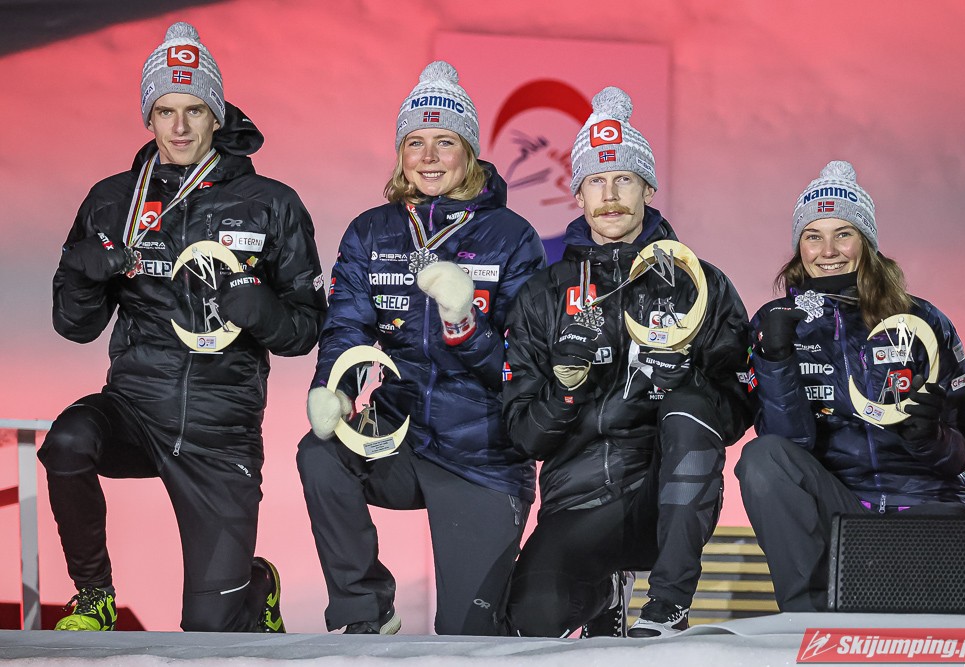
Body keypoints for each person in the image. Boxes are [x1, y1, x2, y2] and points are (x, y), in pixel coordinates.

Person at [39, 22, 327, 632]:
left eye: (194, 109)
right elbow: (75, 327)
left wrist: (262, 309)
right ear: (148, 116)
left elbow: (304, 331)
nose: (179, 127)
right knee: (66, 442)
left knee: (209, 635)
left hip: (221, 431)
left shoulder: (271, 202)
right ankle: (93, 596)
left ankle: (254, 587)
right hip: (136, 410)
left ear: (216, 114)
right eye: (165, 110)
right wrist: (82, 275)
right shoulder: (112, 200)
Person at [297, 61, 547, 636]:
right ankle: (367, 610)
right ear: (400, 153)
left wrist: (465, 324)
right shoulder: (371, 232)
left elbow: (524, 369)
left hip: (483, 454)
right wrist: (333, 390)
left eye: (445, 142)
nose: (429, 157)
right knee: (320, 452)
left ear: (470, 152)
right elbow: (347, 327)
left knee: (466, 639)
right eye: (415, 142)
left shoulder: (512, 237)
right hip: (398, 436)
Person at [502, 87, 754, 639]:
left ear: (649, 188)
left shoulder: (700, 284)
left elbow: (738, 408)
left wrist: (687, 382)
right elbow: (524, 437)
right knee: (530, 620)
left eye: (624, 179)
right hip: (576, 503)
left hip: (666, 501)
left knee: (690, 406)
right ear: (578, 192)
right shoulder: (543, 294)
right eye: (596, 180)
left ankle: (668, 604)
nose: (610, 196)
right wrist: (564, 390)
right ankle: (605, 595)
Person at [735, 160, 965, 612]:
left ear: (866, 242)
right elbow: (788, 446)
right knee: (761, 457)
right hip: (840, 509)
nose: (828, 250)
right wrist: (775, 359)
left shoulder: (924, 321)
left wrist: (930, 438)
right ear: (798, 247)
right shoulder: (772, 324)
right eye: (813, 236)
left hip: (929, 503)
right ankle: (806, 620)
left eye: (843, 233)